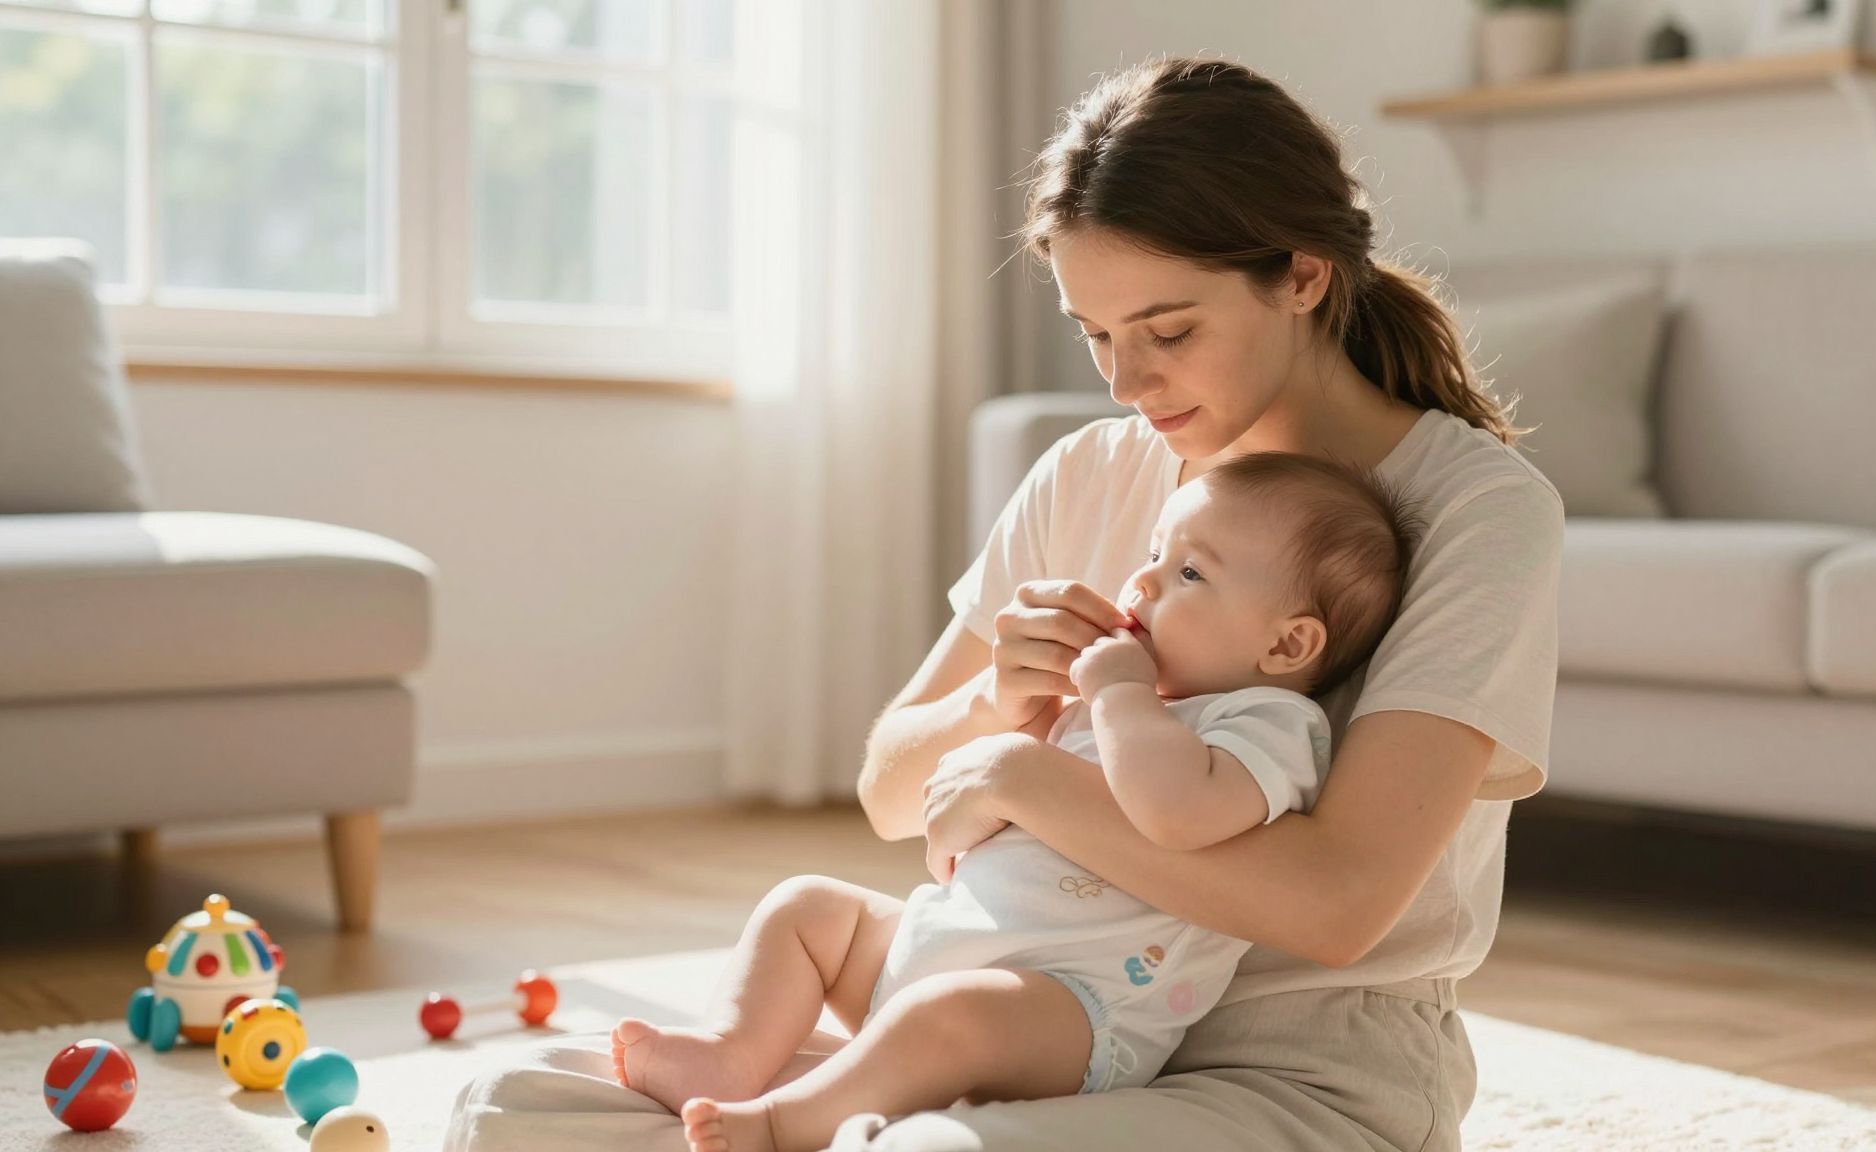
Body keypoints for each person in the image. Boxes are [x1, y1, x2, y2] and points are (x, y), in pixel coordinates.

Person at [445, 54, 1563, 1152]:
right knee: (510, 1105)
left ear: (1303, 276)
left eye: (1168, 332)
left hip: (1297, 1068)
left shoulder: (1472, 510)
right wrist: (994, 700)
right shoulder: (1090, 471)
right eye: (1096, 334)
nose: (1126, 385)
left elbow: (1336, 907)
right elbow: (890, 788)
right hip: (1025, 1016)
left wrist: (1022, 779)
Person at [606, 454, 1414, 1152]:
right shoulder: (1108, 702)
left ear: (1286, 644)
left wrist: (1122, 698)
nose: (1144, 580)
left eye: (1190, 573)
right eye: (1156, 552)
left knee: (949, 1017)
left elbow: (1177, 814)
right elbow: (937, 797)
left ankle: (784, 1126)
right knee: (808, 907)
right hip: (940, 950)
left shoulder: (1267, 723)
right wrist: (1015, 712)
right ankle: (730, 1050)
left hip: (1075, 1013)